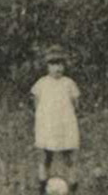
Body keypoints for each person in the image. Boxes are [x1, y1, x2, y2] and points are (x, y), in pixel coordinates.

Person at [30, 50, 81, 185]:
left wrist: (66, 115)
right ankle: (42, 184)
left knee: (68, 155)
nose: (57, 68)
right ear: (47, 67)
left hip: (65, 124)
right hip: (48, 125)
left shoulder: (68, 83)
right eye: (53, 64)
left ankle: (73, 184)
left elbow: (76, 103)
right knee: (46, 155)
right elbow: (36, 102)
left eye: (60, 64)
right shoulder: (42, 83)